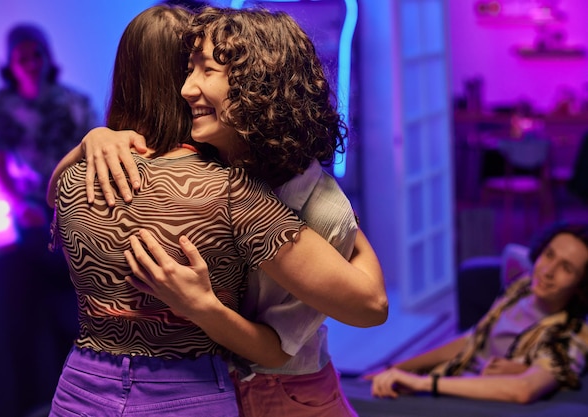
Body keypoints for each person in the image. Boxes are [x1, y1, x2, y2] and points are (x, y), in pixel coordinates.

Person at [47, 6, 387, 417]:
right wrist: (94, 140)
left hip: (287, 390)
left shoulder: (311, 202)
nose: (186, 89)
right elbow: (57, 194)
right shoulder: (218, 167)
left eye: (205, 71)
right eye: (186, 72)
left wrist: (201, 306)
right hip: (223, 381)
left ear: (256, 85)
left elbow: (368, 307)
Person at [0, 23, 97, 415]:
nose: (30, 63)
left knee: (75, 309)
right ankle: (36, 399)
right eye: (22, 57)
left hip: (72, 214)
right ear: (11, 64)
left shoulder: (73, 103)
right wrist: (17, 201)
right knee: (25, 315)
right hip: (27, 220)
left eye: (36, 55)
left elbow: (89, 157)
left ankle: (82, 393)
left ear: (48, 59)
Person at [364, 221, 588, 404]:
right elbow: (472, 339)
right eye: (549, 255)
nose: (548, 271)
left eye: (566, 269)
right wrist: (398, 367)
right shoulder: (524, 287)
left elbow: (524, 389)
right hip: (452, 376)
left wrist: (422, 384)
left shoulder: (570, 336)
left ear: (581, 286)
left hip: (473, 402)